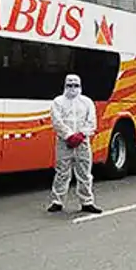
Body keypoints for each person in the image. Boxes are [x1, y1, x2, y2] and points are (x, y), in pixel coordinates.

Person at [48, 74, 103, 214]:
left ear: (80, 85)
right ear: (65, 85)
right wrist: (68, 135)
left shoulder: (87, 102)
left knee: (84, 173)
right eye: (69, 85)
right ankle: (57, 201)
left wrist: (81, 135)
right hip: (63, 142)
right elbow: (56, 121)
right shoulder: (58, 102)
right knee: (62, 172)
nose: (73, 88)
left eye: (75, 85)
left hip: (82, 142)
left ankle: (87, 202)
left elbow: (91, 122)